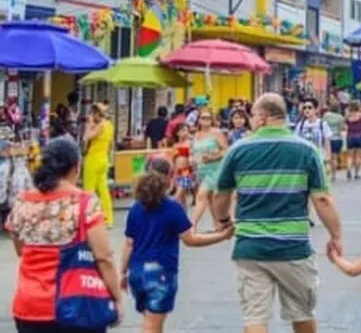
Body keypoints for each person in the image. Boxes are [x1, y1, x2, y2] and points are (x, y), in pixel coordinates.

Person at [212, 93, 345, 332]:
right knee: (302, 313)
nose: (251, 120)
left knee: (255, 318)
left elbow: (220, 196)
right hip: (292, 247)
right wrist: (336, 236)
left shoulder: (238, 150)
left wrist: (223, 221)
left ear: (262, 117)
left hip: (251, 246)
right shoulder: (306, 150)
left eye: (253, 115)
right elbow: (322, 199)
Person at [5, 137, 124, 332]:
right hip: (75, 305)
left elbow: (21, 250)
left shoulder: (23, 201)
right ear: (76, 167)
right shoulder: (85, 203)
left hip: (29, 307)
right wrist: (116, 297)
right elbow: (104, 257)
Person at [119, 158, 233, 332]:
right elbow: (190, 240)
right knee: (152, 325)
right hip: (161, 271)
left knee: (150, 320)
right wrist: (221, 236)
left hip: (136, 271)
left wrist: (122, 272)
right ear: (169, 178)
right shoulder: (171, 207)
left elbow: (129, 243)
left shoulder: (136, 207)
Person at [190, 108, 228, 231]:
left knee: (201, 195)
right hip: (201, 170)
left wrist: (213, 157)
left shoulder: (216, 132)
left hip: (215, 169)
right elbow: (194, 152)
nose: (206, 120)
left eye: (208, 118)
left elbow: (226, 150)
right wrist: (192, 159)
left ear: (212, 120)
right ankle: (218, 224)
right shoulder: (196, 134)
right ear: (198, 120)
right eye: (203, 118)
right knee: (211, 198)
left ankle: (193, 226)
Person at [82, 102, 115, 229]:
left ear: (98, 113)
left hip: (93, 158)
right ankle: (108, 219)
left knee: (88, 189)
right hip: (103, 158)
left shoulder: (100, 126)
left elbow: (86, 137)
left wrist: (89, 125)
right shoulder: (110, 126)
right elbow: (111, 145)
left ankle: (87, 217)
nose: (91, 115)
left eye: (93, 113)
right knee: (103, 190)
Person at [169, 123, 196, 209]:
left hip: (186, 171)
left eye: (187, 130)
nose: (185, 132)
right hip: (178, 172)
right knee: (182, 198)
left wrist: (191, 158)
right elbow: (173, 161)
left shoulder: (190, 143)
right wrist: (172, 174)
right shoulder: (175, 145)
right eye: (183, 130)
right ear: (177, 133)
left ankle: (168, 210)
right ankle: (184, 218)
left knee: (177, 195)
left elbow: (192, 155)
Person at [345, 101, 361, 180]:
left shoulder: (347, 117)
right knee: (358, 157)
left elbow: (345, 127)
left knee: (350, 156)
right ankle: (356, 173)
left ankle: (349, 168)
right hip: (360, 136)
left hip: (350, 136)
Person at [323, 104, 346, 180]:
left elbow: (322, 125)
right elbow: (342, 128)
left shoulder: (326, 115)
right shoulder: (340, 117)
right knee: (334, 158)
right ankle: (334, 175)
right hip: (337, 138)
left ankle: (327, 172)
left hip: (327, 138)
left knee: (327, 156)